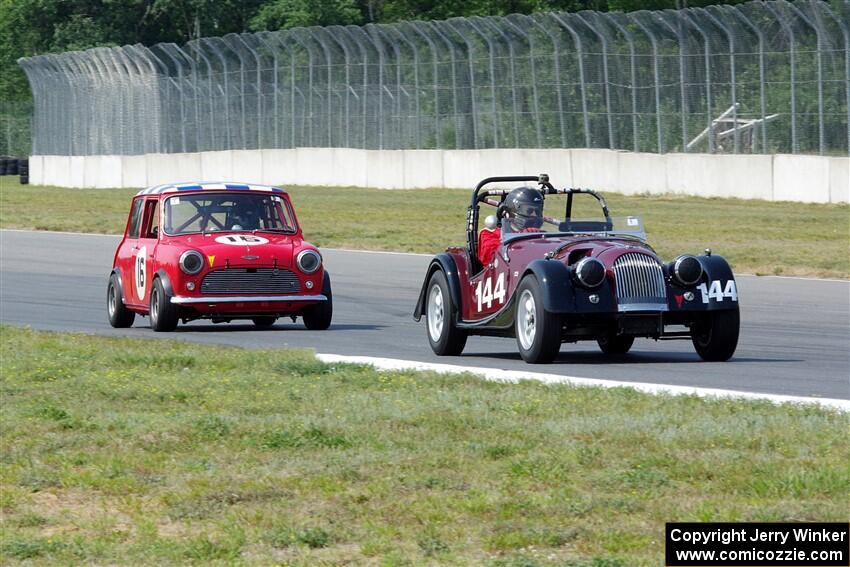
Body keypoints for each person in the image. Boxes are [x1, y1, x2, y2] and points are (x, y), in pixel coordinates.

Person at [477, 186, 545, 266]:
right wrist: (527, 234)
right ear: (510, 212)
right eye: (529, 211)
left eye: (537, 211)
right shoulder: (490, 234)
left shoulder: (542, 235)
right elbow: (488, 258)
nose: (534, 215)